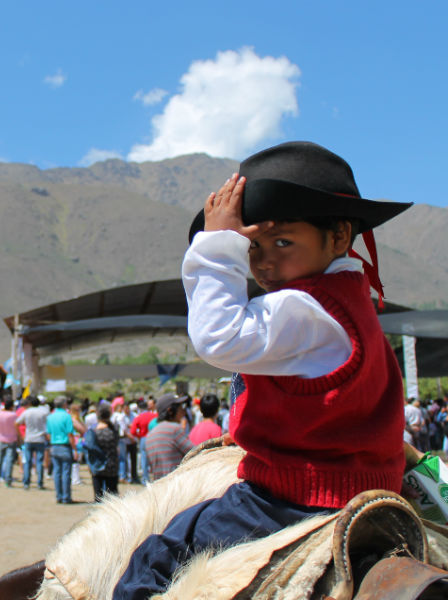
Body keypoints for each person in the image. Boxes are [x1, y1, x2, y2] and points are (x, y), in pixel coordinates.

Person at [114, 141, 411, 599]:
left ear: (338, 236)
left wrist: (217, 246)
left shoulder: (305, 309)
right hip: (364, 479)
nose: (263, 260)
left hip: (294, 496)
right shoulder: (350, 301)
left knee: (157, 556)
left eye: (283, 242)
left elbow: (218, 337)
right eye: (253, 246)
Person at [144, 393, 194, 482]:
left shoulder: (150, 435)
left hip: (158, 485)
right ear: (170, 411)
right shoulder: (174, 429)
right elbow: (194, 452)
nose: (183, 411)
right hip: (175, 485)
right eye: (180, 408)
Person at [84, 403, 120, 502]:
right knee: (112, 495)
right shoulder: (115, 429)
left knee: (98, 495)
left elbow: (89, 447)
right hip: (112, 465)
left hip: (98, 464)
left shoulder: (93, 432)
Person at [46, 396, 76, 504]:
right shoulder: (67, 416)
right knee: (66, 473)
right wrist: (75, 449)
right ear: (64, 404)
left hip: (54, 446)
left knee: (57, 473)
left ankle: (59, 496)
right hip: (64, 446)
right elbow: (70, 434)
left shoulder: (50, 417)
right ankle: (66, 497)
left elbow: (48, 434)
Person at [16, 396, 50, 490]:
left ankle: (26, 482)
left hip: (28, 438)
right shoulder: (44, 412)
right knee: (39, 461)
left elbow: (17, 423)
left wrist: (21, 435)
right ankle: (40, 482)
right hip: (40, 438)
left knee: (27, 461)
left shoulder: (26, 412)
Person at [0, 398, 20, 487]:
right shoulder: (13, 415)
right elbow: (16, 426)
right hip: (11, 439)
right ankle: (8, 480)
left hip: (1, 438)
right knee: (9, 460)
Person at [129, 399, 157, 485]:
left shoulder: (138, 417)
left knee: (144, 459)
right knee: (155, 458)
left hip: (143, 438)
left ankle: (145, 479)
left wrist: (139, 435)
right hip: (153, 437)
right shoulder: (154, 415)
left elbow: (133, 431)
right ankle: (156, 477)